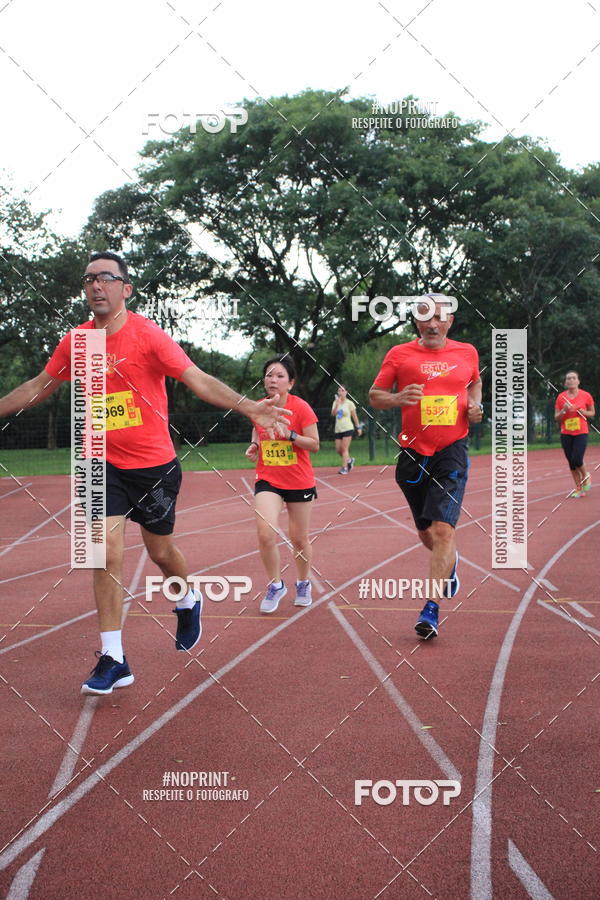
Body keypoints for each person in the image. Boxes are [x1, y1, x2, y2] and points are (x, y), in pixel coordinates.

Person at [0, 251, 290, 694]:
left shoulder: (148, 336)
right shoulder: (76, 341)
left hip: (153, 466)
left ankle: (188, 598)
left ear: (125, 288)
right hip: (100, 463)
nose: (96, 285)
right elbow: (38, 386)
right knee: (104, 552)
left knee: (161, 552)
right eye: (89, 279)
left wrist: (251, 407)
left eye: (106, 278)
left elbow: (198, 379)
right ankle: (114, 657)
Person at [369, 294, 483, 640]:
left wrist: (474, 405)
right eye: (425, 317)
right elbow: (375, 395)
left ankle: (431, 608)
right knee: (426, 534)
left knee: (443, 530)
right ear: (416, 322)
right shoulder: (400, 354)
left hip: (452, 449)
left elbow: (474, 382)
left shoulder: (467, 352)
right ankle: (449, 561)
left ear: (450, 321)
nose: (432, 323)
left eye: (439, 317)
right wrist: (397, 398)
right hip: (413, 451)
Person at [245, 356, 320, 613]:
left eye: (279, 376)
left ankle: (303, 582)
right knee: (265, 532)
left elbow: (315, 444)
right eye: (268, 375)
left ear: (291, 382)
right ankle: (276, 585)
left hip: (299, 479)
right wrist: (255, 444)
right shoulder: (258, 407)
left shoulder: (302, 408)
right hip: (268, 478)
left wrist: (291, 436)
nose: (272, 380)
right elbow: (258, 429)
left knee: (298, 539)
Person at [554, 370, 595, 497]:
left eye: (573, 378)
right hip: (566, 432)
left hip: (581, 432)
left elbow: (592, 413)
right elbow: (556, 417)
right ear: (565, 383)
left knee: (577, 458)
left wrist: (583, 411)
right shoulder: (561, 397)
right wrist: (564, 411)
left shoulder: (586, 395)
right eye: (568, 378)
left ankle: (586, 475)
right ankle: (578, 489)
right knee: (571, 463)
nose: (571, 380)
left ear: (578, 381)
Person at [331, 385, 363, 473]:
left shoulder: (350, 403)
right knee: (338, 449)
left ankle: (344, 468)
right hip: (338, 429)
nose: (341, 392)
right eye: (339, 391)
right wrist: (337, 405)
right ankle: (349, 460)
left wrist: (358, 427)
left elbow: (354, 416)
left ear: (346, 392)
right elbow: (333, 414)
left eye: (342, 390)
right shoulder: (335, 402)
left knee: (344, 449)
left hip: (348, 428)